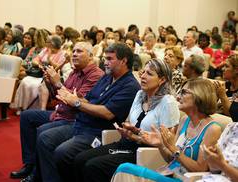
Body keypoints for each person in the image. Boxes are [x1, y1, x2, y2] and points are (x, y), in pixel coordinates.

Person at [30, 43, 140, 182]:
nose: (105, 62)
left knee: (62, 153)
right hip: (81, 124)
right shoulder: (107, 77)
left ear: (124, 61)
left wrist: (76, 102)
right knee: (45, 138)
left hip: (99, 132)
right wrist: (76, 99)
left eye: (110, 59)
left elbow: (107, 113)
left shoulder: (130, 86)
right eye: (105, 58)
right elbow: (89, 100)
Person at [74, 59, 180, 182]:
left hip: (144, 152)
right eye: (143, 72)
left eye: (149, 74)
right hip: (126, 143)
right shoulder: (140, 94)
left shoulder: (167, 102)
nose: (143, 76)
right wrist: (127, 130)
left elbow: (167, 143)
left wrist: (136, 137)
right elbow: (129, 122)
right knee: (80, 159)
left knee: (93, 166)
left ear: (162, 80)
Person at [10, 41, 104, 180]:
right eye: (74, 51)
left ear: (90, 56)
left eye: (79, 51)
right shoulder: (75, 71)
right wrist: (50, 83)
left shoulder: (95, 75)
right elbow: (58, 96)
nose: (74, 54)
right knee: (26, 116)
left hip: (73, 119)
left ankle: (38, 174)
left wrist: (57, 82)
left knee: (43, 133)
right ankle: (30, 164)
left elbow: (75, 101)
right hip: (60, 113)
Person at [111, 78, 222, 182]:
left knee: (125, 168)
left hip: (185, 179)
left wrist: (173, 148)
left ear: (200, 95)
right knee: (124, 169)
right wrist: (161, 145)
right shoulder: (184, 120)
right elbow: (171, 159)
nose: (178, 97)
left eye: (183, 92)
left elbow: (200, 169)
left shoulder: (213, 129)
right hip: (169, 173)